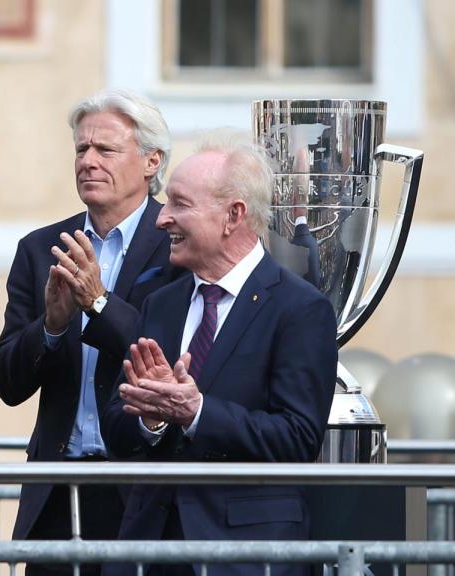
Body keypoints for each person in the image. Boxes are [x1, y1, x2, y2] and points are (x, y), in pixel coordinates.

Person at [101, 132, 337, 576]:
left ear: (234, 215)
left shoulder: (300, 308)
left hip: (246, 556)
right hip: (151, 550)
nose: (161, 218)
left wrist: (197, 413)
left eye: (180, 204)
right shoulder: (161, 304)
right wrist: (152, 417)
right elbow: (116, 422)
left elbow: (298, 438)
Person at [0, 89, 181, 576]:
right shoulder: (41, 249)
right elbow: (7, 382)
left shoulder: (177, 246)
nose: (88, 162)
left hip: (141, 487)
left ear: (150, 161)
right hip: (58, 488)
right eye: (81, 149)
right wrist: (50, 328)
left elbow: (169, 355)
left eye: (106, 150)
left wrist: (98, 302)